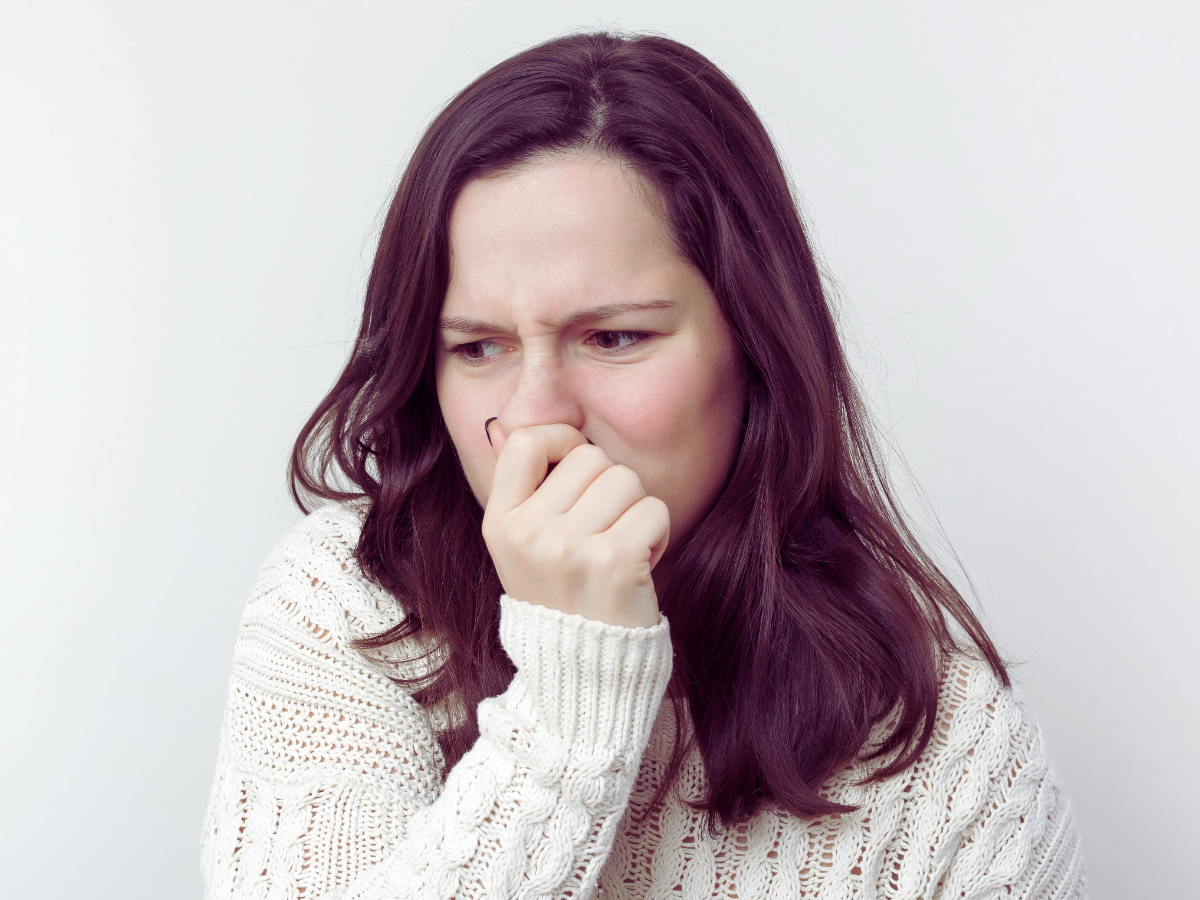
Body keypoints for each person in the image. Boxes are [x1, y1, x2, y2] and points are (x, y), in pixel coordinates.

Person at [201, 31, 1087, 899]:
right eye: (478, 348)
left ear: (756, 346)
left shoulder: (956, 764)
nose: (537, 415)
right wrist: (575, 691)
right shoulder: (341, 609)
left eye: (615, 337)